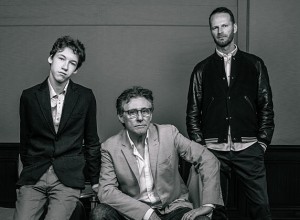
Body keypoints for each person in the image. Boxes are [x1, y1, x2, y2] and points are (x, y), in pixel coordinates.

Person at [186, 7, 275, 220]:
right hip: (213, 151)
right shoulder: (202, 69)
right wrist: (202, 149)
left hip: (249, 147)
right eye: (215, 27)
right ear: (211, 31)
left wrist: (262, 142)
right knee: (215, 210)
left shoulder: (255, 64)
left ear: (234, 27)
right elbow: (192, 113)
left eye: (224, 25)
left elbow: (266, 106)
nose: (220, 31)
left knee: (261, 207)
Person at [90, 86, 223, 220]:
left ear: (151, 114)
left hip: (173, 208)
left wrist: (208, 204)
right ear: (120, 116)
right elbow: (106, 191)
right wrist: (147, 214)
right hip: (134, 213)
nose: (140, 118)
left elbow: (207, 159)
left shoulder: (169, 133)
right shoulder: (110, 147)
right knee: (100, 214)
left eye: (145, 111)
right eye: (132, 112)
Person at [14, 35, 101, 220]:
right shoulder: (29, 97)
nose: (65, 66)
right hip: (34, 174)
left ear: (76, 69)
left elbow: (92, 141)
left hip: (67, 177)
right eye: (61, 58)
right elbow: (25, 140)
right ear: (50, 58)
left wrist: (95, 181)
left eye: (72, 63)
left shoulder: (85, 97)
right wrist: (24, 177)